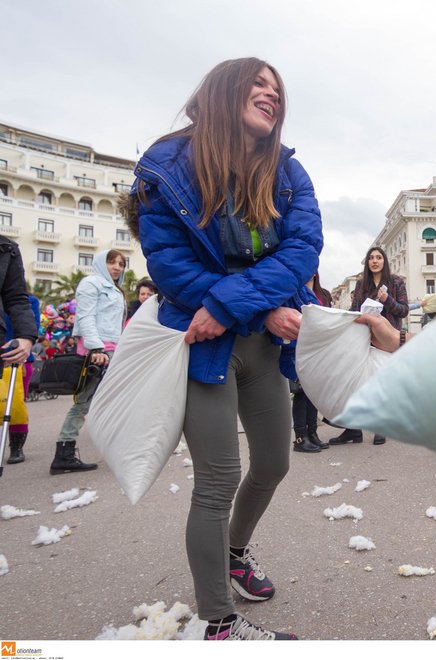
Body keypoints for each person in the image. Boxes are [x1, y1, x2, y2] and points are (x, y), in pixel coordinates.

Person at [125, 57, 323, 641]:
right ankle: (218, 624)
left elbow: (303, 248)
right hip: (200, 342)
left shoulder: (288, 171)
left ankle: (234, 551)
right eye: (259, 84)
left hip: (259, 342)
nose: (272, 95)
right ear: (223, 91)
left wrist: (244, 308)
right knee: (216, 479)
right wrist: (257, 303)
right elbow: (168, 264)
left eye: (278, 89)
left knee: (275, 462)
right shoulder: (165, 166)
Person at [50, 249, 126, 475]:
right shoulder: (91, 283)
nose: (117, 267)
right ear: (101, 262)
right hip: (98, 351)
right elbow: (85, 316)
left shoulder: (114, 289)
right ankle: (63, 454)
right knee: (84, 401)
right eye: (112, 262)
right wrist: (96, 348)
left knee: (109, 399)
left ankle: (115, 447)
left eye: (121, 264)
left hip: (112, 349)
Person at [330, 247, 407, 447]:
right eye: (371, 258)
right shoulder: (362, 284)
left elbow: (403, 310)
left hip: (386, 339)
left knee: (380, 384)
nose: (374, 261)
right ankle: (353, 430)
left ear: (384, 261)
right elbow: (354, 310)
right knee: (355, 382)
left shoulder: (396, 282)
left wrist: (386, 300)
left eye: (378, 257)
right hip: (363, 338)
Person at [0, 238, 39, 463]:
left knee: (14, 403)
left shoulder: (7, 249)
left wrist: (26, 338)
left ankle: (16, 446)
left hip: (11, 354)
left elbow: (17, 300)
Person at [291, 275, 331, 453]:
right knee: (300, 392)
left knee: (313, 393)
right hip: (299, 346)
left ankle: (312, 432)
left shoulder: (323, 294)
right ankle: (300, 437)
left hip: (318, 349)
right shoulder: (295, 290)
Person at [4, 291, 41, 464]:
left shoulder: (28, 301)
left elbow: (29, 329)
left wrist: (23, 357)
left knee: (15, 405)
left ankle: (16, 448)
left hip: (16, 359)